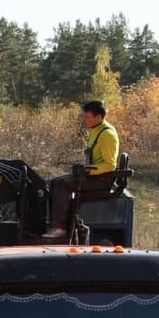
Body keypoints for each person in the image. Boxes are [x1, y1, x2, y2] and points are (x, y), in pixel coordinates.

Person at [44, 100, 122, 239]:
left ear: (98, 117)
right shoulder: (94, 131)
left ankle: (60, 228)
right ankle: (61, 224)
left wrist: (89, 170)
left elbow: (110, 165)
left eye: (87, 117)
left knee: (62, 186)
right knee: (55, 182)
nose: (84, 120)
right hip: (92, 176)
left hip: (102, 180)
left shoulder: (107, 135)